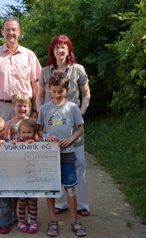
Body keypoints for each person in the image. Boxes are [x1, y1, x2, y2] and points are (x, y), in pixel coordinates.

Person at [36, 35, 91, 217]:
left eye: (63, 47)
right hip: (51, 128)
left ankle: (82, 204)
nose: (60, 50)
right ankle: (60, 203)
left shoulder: (77, 70)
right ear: (52, 50)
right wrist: (40, 114)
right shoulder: (45, 72)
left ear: (69, 50)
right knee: (55, 165)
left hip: (73, 128)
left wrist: (79, 115)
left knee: (79, 164)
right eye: (57, 47)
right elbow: (40, 95)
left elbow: (86, 94)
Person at [37, 71, 86, 237]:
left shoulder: (72, 108)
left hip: (67, 154)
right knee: (50, 188)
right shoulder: (44, 109)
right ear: (49, 88)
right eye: (54, 90)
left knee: (69, 188)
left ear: (68, 89)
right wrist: (45, 136)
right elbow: (39, 130)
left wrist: (70, 139)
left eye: (61, 91)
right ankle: (53, 221)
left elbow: (80, 129)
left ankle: (74, 221)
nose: (57, 94)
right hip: (49, 156)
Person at [0, 18, 42, 122]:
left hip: (24, 108)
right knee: (1, 138)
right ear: (2, 32)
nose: (11, 33)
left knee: (25, 138)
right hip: (1, 109)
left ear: (19, 32)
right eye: (7, 30)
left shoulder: (29, 55)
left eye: (14, 30)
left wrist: (36, 110)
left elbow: (37, 85)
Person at [3, 91, 30, 221]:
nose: (22, 109)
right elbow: (6, 141)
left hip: (28, 161)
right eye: (19, 106)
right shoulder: (9, 123)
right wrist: (11, 143)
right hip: (14, 162)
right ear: (13, 106)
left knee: (29, 189)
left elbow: (35, 140)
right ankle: (14, 213)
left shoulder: (31, 122)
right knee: (15, 189)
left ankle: (30, 214)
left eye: (25, 106)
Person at [15, 118, 39, 234]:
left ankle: (33, 221)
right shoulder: (16, 144)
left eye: (29, 132)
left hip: (33, 178)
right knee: (22, 200)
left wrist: (33, 145)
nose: (26, 135)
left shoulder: (37, 145)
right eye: (23, 132)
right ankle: (21, 221)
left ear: (34, 133)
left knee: (33, 200)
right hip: (20, 178)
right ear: (19, 133)